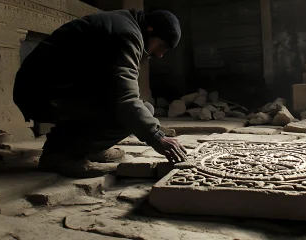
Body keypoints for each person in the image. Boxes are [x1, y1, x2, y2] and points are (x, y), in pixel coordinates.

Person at [13, 9, 188, 178]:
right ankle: (60, 156)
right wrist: (156, 137)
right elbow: (124, 99)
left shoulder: (126, 24)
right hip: (42, 94)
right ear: (150, 30)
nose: (160, 55)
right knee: (132, 112)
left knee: (143, 109)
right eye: (162, 46)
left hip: (53, 90)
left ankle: (89, 148)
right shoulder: (127, 34)